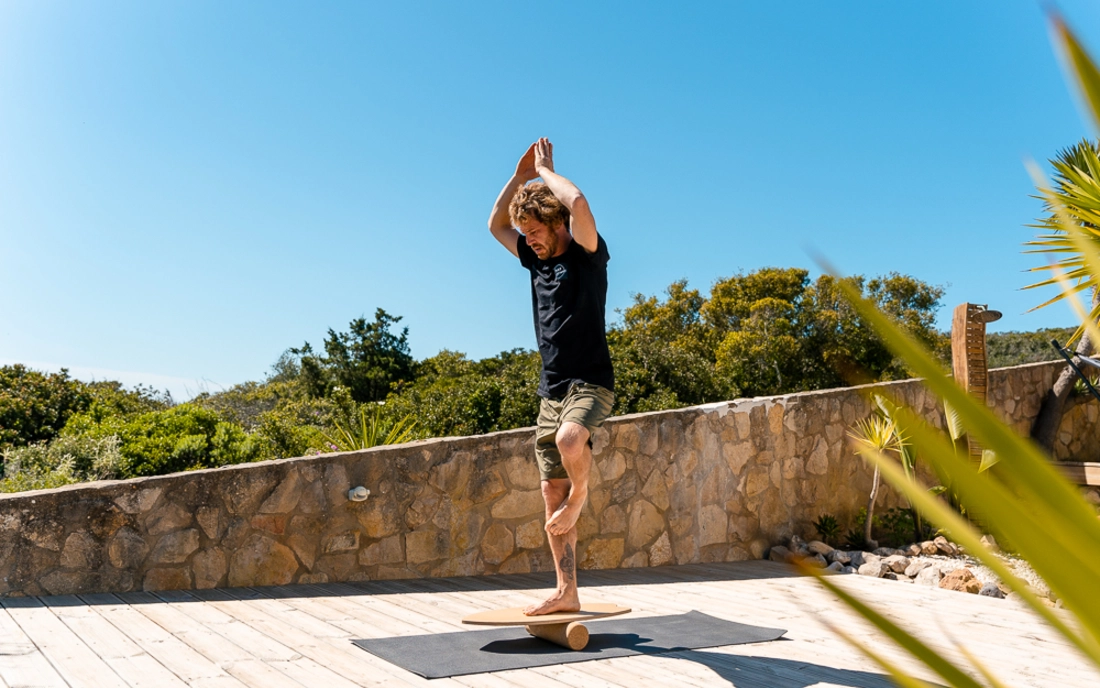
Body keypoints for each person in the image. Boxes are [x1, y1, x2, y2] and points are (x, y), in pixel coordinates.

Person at [487, 138, 615, 615]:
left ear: (557, 223)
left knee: (570, 442)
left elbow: (578, 202)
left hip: (591, 382)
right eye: (526, 234)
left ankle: (582, 494)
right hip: (552, 389)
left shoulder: (586, 255)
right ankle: (567, 591)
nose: (529, 240)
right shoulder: (533, 261)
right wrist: (520, 177)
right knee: (548, 492)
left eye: (536, 231)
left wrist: (545, 170)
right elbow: (493, 224)